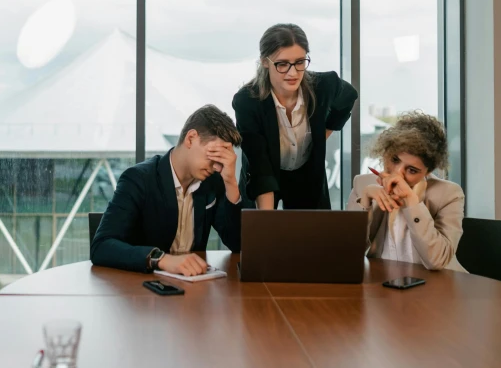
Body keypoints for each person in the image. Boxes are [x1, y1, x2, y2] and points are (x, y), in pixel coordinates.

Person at [91, 105, 247, 275]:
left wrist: (231, 182)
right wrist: (162, 259)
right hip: (141, 289)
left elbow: (238, 244)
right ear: (191, 138)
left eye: (222, 159)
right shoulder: (139, 179)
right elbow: (101, 246)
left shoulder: (213, 181)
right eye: (214, 155)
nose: (217, 166)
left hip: (192, 288)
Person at [232, 23, 357, 210]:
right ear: (265, 62)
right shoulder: (247, 101)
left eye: (299, 62)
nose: (293, 73)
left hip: (307, 176)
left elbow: (349, 96)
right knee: (261, 233)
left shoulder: (324, 85)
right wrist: (265, 224)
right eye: (282, 64)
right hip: (266, 174)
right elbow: (260, 167)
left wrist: (323, 135)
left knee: (312, 236)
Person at [346, 112, 465, 271]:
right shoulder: (362, 185)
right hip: (380, 284)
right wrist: (366, 201)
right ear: (385, 151)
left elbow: (437, 261)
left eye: (412, 170)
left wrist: (411, 201)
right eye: (394, 160)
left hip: (437, 287)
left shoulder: (449, 194)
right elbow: (348, 252)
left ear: (428, 172)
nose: (397, 174)